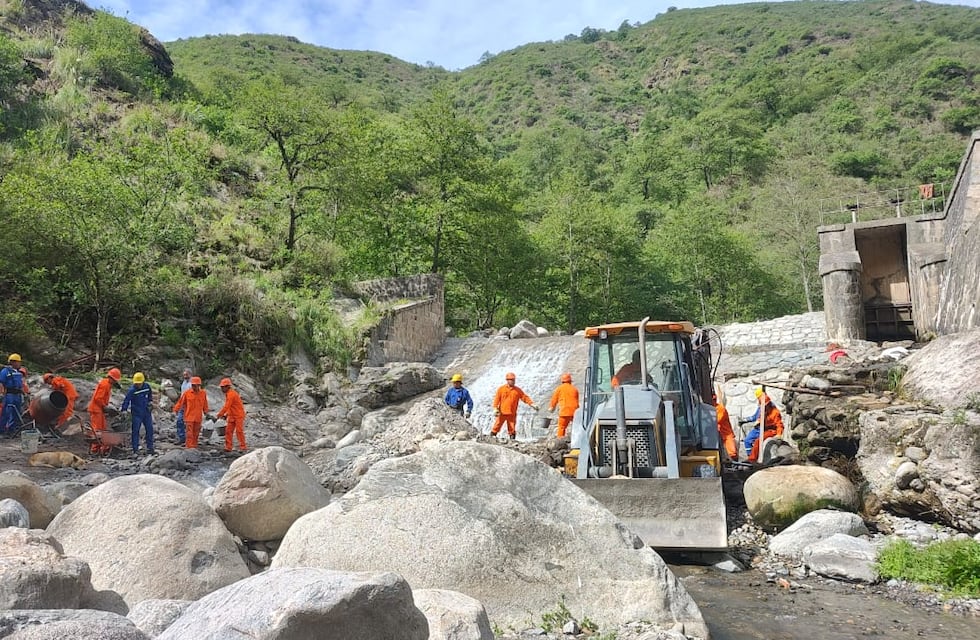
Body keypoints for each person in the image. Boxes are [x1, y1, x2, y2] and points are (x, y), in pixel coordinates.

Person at [491, 372, 537, 440]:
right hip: (502, 412)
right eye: (511, 380)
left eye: (513, 380)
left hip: (512, 413)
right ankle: (491, 437)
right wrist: (495, 408)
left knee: (512, 428)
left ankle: (512, 441)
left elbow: (524, 397)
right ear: (507, 380)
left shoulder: (517, 390)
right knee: (497, 426)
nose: (513, 381)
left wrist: (532, 404)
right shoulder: (501, 389)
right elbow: (496, 399)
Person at [744, 387, 785, 463]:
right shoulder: (762, 410)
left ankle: (752, 460)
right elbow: (759, 417)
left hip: (771, 430)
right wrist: (758, 421)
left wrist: (779, 434)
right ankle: (750, 456)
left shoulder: (775, 412)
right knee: (748, 440)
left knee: (758, 441)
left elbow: (779, 424)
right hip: (761, 428)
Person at [121, 372, 154, 455]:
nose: (138, 385)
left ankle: (150, 447)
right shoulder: (132, 390)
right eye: (136, 383)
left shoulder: (147, 387)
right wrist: (124, 410)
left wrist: (150, 402)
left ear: (143, 382)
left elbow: (150, 395)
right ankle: (135, 449)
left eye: (139, 383)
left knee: (149, 429)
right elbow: (127, 400)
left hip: (146, 412)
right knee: (135, 431)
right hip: (136, 413)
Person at [173, 376, 208, 449]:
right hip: (189, 416)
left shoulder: (203, 393)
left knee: (196, 433)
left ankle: (194, 446)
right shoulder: (187, 393)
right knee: (189, 433)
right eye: (193, 385)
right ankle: (189, 446)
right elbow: (180, 402)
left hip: (198, 417)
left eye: (196, 385)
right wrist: (176, 410)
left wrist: (206, 412)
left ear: (199, 385)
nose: (194, 387)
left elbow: (205, 403)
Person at [87, 367, 121, 434]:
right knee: (97, 429)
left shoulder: (107, 384)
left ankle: (101, 443)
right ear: (112, 378)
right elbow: (98, 398)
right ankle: (95, 444)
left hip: (99, 409)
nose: (115, 382)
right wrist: (105, 407)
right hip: (96, 409)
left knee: (102, 428)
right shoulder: (105, 384)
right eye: (115, 380)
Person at [217, 377, 246, 453]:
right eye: (221, 387)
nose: (222, 389)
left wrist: (219, 414)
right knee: (228, 431)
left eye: (223, 387)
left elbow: (227, 406)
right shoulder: (228, 394)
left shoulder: (231, 394)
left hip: (238, 415)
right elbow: (231, 406)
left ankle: (243, 447)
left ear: (227, 387)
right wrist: (226, 415)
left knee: (239, 431)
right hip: (232, 415)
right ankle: (228, 447)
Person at [0, 354, 26, 435]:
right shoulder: (5, 371)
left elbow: (21, 384)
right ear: (13, 362)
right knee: (7, 412)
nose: (19, 364)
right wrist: (1, 393)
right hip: (9, 395)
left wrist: (24, 393)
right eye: (18, 362)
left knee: (16, 412)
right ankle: (2, 430)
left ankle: (12, 429)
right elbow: (1, 383)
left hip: (17, 395)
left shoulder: (18, 372)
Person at [548, 373, 579, 438]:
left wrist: (551, 407)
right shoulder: (575, 389)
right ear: (570, 381)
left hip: (564, 411)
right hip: (575, 412)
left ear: (562, 381)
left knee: (562, 427)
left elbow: (554, 399)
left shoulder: (559, 389)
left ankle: (560, 441)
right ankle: (576, 440)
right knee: (576, 427)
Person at [715, 392, 737, 461]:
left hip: (726, 434)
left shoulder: (720, 409)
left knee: (732, 453)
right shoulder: (713, 409)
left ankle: (734, 464)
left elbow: (718, 420)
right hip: (718, 435)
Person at [174, 369, 192, 445]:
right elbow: (182, 395)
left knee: (188, 423)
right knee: (179, 421)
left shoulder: (192, 383)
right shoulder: (184, 383)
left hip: (189, 405)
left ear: (190, 374)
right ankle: (181, 438)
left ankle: (189, 440)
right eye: (184, 375)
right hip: (182, 404)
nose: (185, 376)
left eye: (186, 375)